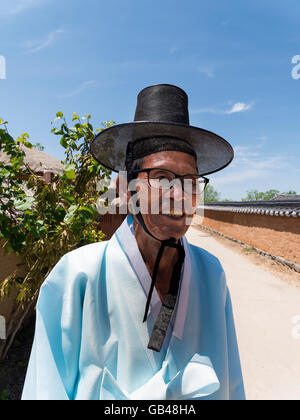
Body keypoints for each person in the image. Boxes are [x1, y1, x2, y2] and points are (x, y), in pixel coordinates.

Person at [22, 84, 245, 400]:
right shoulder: (77, 275)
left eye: (191, 182)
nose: (180, 196)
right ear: (125, 189)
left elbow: (231, 383)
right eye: (162, 177)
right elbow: (45, 388)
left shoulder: (212, 274)